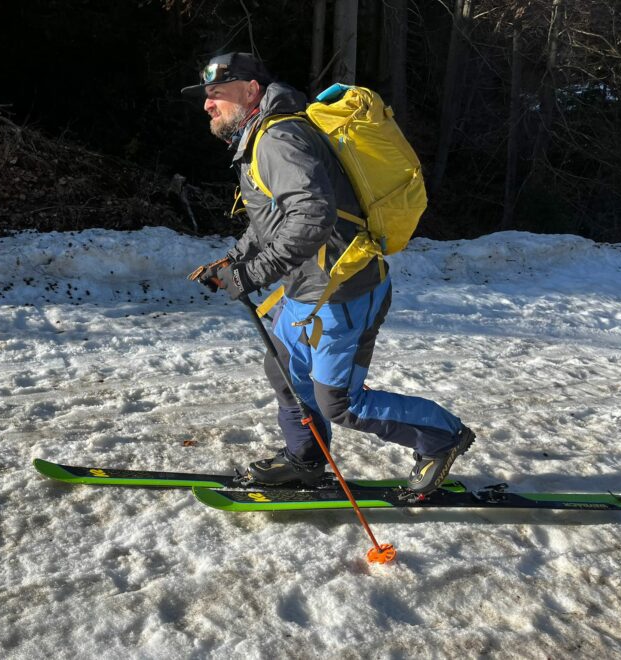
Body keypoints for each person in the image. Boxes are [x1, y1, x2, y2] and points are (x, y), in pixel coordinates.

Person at [183, 52, 474, 494]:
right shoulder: (262, 137)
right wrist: (234, 261)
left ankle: (441, 437)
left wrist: (251, 274)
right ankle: (305, 459)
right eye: (207, 97)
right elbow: (273, 218)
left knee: (340, 402)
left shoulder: (279, 139)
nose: (208, 104)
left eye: (216, 94)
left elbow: (311, 214)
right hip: (308, 289)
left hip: (341, 293)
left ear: (250, 91)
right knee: (283, 369)